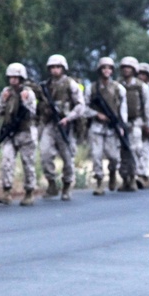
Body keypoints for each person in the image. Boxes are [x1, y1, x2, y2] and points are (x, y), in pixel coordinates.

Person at [38, 54, 86, 201]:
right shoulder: (45, 86)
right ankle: (51, 183)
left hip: (66, 126)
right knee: (45, 154)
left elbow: (80, 105)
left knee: (67, 157)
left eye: (58, 67)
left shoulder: (70, 84)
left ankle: (67, 185)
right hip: (50, 124)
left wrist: (68, 117)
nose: (55, 70)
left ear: (63, 68)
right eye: (52, 67)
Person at [0, 63, 38, 206]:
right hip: (10, 133)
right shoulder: (6, 92)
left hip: (25, 133)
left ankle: (29, 192)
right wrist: (3, 100)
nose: (13, 80)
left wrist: (25, 101)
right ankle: (6, 192)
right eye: (11, 77)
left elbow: (32, 113)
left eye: (16, 77)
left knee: (28, 163)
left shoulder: (28, 93)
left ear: (21, 78)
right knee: (6, 161)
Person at [85, 57, 128, 196]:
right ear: (99, 70)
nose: (106, 70)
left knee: (114, 157)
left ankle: (112, 172)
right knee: (96, 155)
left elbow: (123, 109)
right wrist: (96, 114)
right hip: (97, 126)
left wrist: (121, 125)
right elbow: (84, 107)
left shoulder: (118, 88)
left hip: (112, 127)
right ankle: (99, 182)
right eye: (104, 68)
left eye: (109, 68)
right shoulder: (92, 88)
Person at [117, 56, 149, 192]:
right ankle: (124, 179)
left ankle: (133, 177)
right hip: (120, 123)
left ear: (134, 69)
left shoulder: (141, 86)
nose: (126, 70)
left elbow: (148, 106)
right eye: (124, 67)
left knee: (135, 150)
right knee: (122, 152)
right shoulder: (117, 85)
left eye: (129, 67)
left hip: (136, 122)